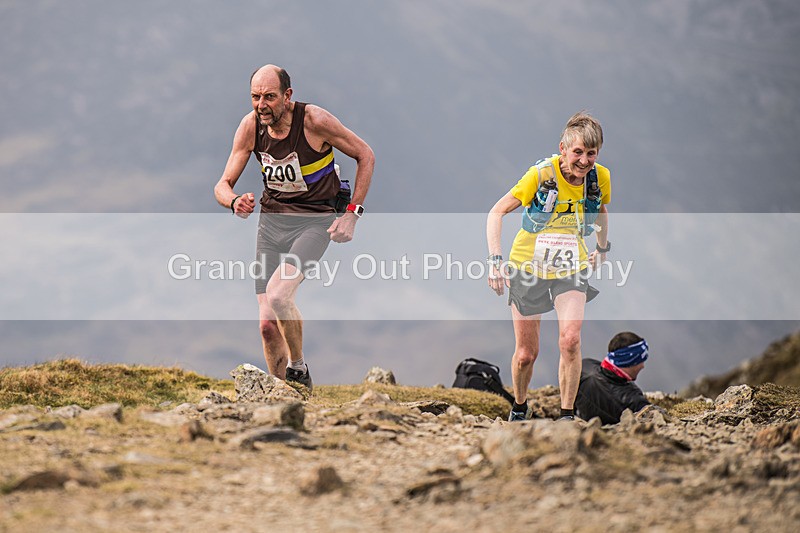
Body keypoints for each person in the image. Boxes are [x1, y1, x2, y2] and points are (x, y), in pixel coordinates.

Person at [214, 65, 375, 391]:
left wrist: (352, 214)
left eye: (269, 97)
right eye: (255, 98)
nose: (262, 106)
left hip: (314, 222)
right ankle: (279, 395)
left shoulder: (314, 121)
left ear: (288, 96)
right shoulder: (250, 127)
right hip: (272, 224)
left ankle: (298, 369)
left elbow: (365, 155)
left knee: (278, 294)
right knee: (266, 325)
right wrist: (233, 201)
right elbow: (222, 184)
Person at [486, 112, 611, 421]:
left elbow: (601, 209)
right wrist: (495, 262)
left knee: (570, 339)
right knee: (527, 355)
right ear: (563, 148)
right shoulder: (541, 176)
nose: (584, 161)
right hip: (527, 268)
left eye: (591, 153)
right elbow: (496, 212)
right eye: (578, 152)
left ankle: (567, 415)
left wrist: (602, 247)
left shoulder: (599, 177)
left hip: (570, 268)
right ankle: (519, 406)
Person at [574, 332, 650, 425]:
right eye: (640, 361)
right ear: (629, 361)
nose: (642, 366)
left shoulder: (584, 366)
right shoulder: (634, 400)